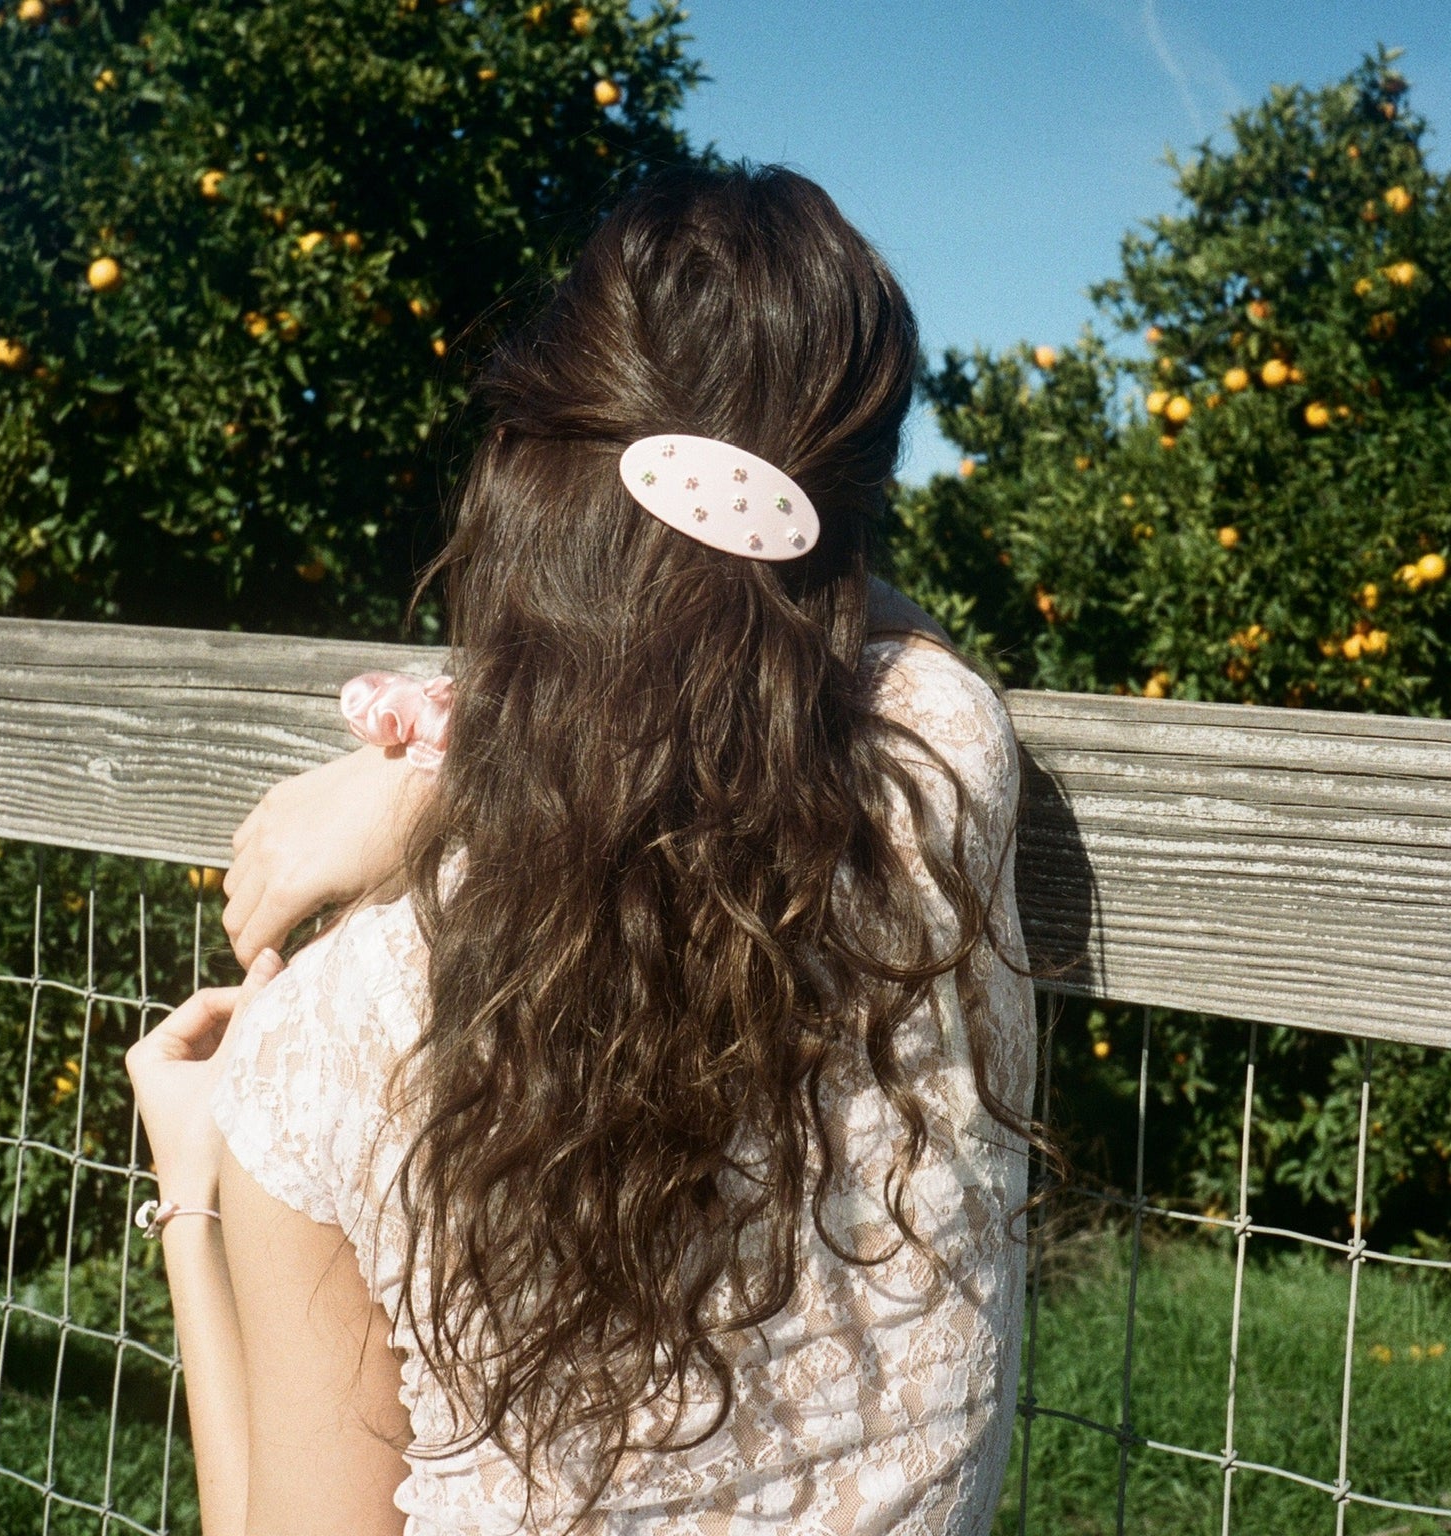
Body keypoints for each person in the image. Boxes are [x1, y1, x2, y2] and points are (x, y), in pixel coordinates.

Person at [125, 163, 1038, 1536]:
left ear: (516, 484)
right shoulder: (942, 769)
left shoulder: (322, 1047)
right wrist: (453, 773)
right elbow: (838, 618)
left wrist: (191, 1189)